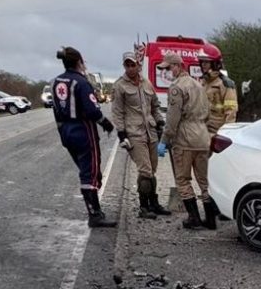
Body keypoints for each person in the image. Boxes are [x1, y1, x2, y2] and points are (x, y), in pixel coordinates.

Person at [51, 46, 117, 228]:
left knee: (85, 169)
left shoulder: (56, 82)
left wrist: (62, 132)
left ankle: (96, 210)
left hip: (66, 130)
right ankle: (94, 214)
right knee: (90, 172)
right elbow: (92, 110)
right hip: (83, 129)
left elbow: (55, 110)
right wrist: (106, 123)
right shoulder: (81, 82)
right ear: (79, 61)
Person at [111, 51, 171, 219]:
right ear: (124, 66)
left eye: (133, 65)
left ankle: (154, 203)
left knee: (152, 170)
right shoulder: (119, 86)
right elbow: (117, 112)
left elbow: (155, 106)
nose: (130, 68)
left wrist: (160, 123)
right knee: (145, 171)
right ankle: (144, 207)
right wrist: (122, 134)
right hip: (134, 133)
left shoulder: (147, 83)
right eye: (127, 65)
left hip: (150, 133)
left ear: (138, 65)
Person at [156, 53, 212, 229]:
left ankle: (194, 218)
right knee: (204, 180)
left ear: (177, 66)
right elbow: (208, 113)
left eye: (168, 68)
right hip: (202, 136)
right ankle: (210, 219)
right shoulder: (199, 85)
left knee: (183, 180)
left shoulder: (177, 88)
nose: (167, 72)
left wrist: (164, 140)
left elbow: (172, 119)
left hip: (185, 139)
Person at [197, 43, 236, 229]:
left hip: (217, 134)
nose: (203, 65)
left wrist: (224, 137)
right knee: (205, 174)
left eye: (207, 62)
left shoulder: (226, 84)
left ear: (215, 63)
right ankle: (214, 210)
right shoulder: (202, 82)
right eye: (202, 62)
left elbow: (231, 112)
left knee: (216, 175)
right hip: (203, 133)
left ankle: (218, 212)